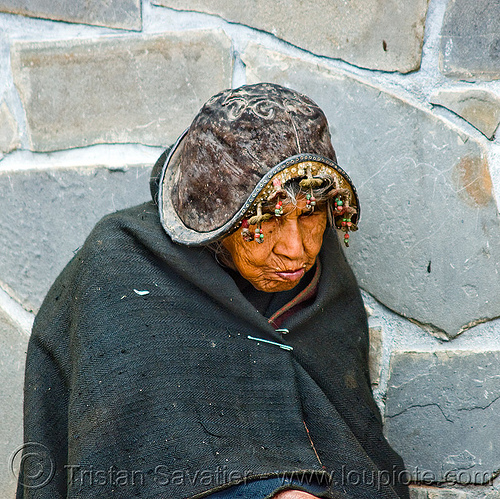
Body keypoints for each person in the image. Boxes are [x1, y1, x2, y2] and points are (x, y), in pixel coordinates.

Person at [17, 83, 409, 498]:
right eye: (268, 220)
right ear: (216, 219)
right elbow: (121, 451)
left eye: (311, 214)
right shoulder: (122, 265)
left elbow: (351, 443)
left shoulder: (324, 275)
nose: (297, 249)